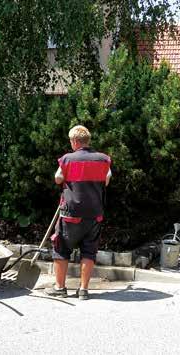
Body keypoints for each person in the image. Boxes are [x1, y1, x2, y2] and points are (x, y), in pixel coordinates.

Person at [45, 125, 111, 300]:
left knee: (61, 248)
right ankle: (83, 290)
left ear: (74, 141)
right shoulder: (103, 159)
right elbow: (107, 179)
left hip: (71, 212)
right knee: (89, 251)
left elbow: (58, 177)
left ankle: (60, 288)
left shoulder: (67, 159)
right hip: (95, 213)